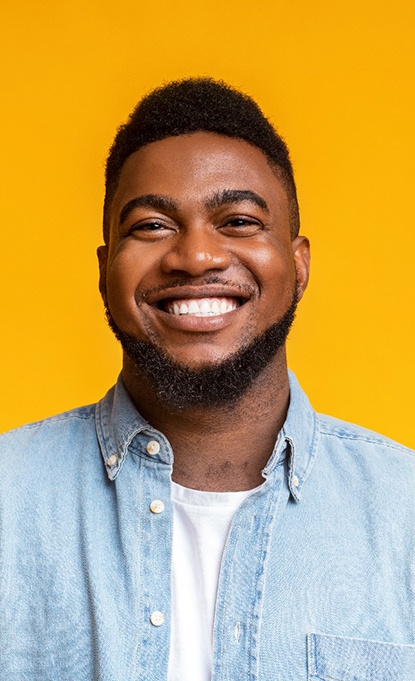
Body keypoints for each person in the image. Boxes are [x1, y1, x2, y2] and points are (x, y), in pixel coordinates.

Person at [1, 78, 414, 681]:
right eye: (150, 226)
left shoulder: (406, 515)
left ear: (298, 265)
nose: (196, 256)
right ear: (104, 269)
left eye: (239, 220)